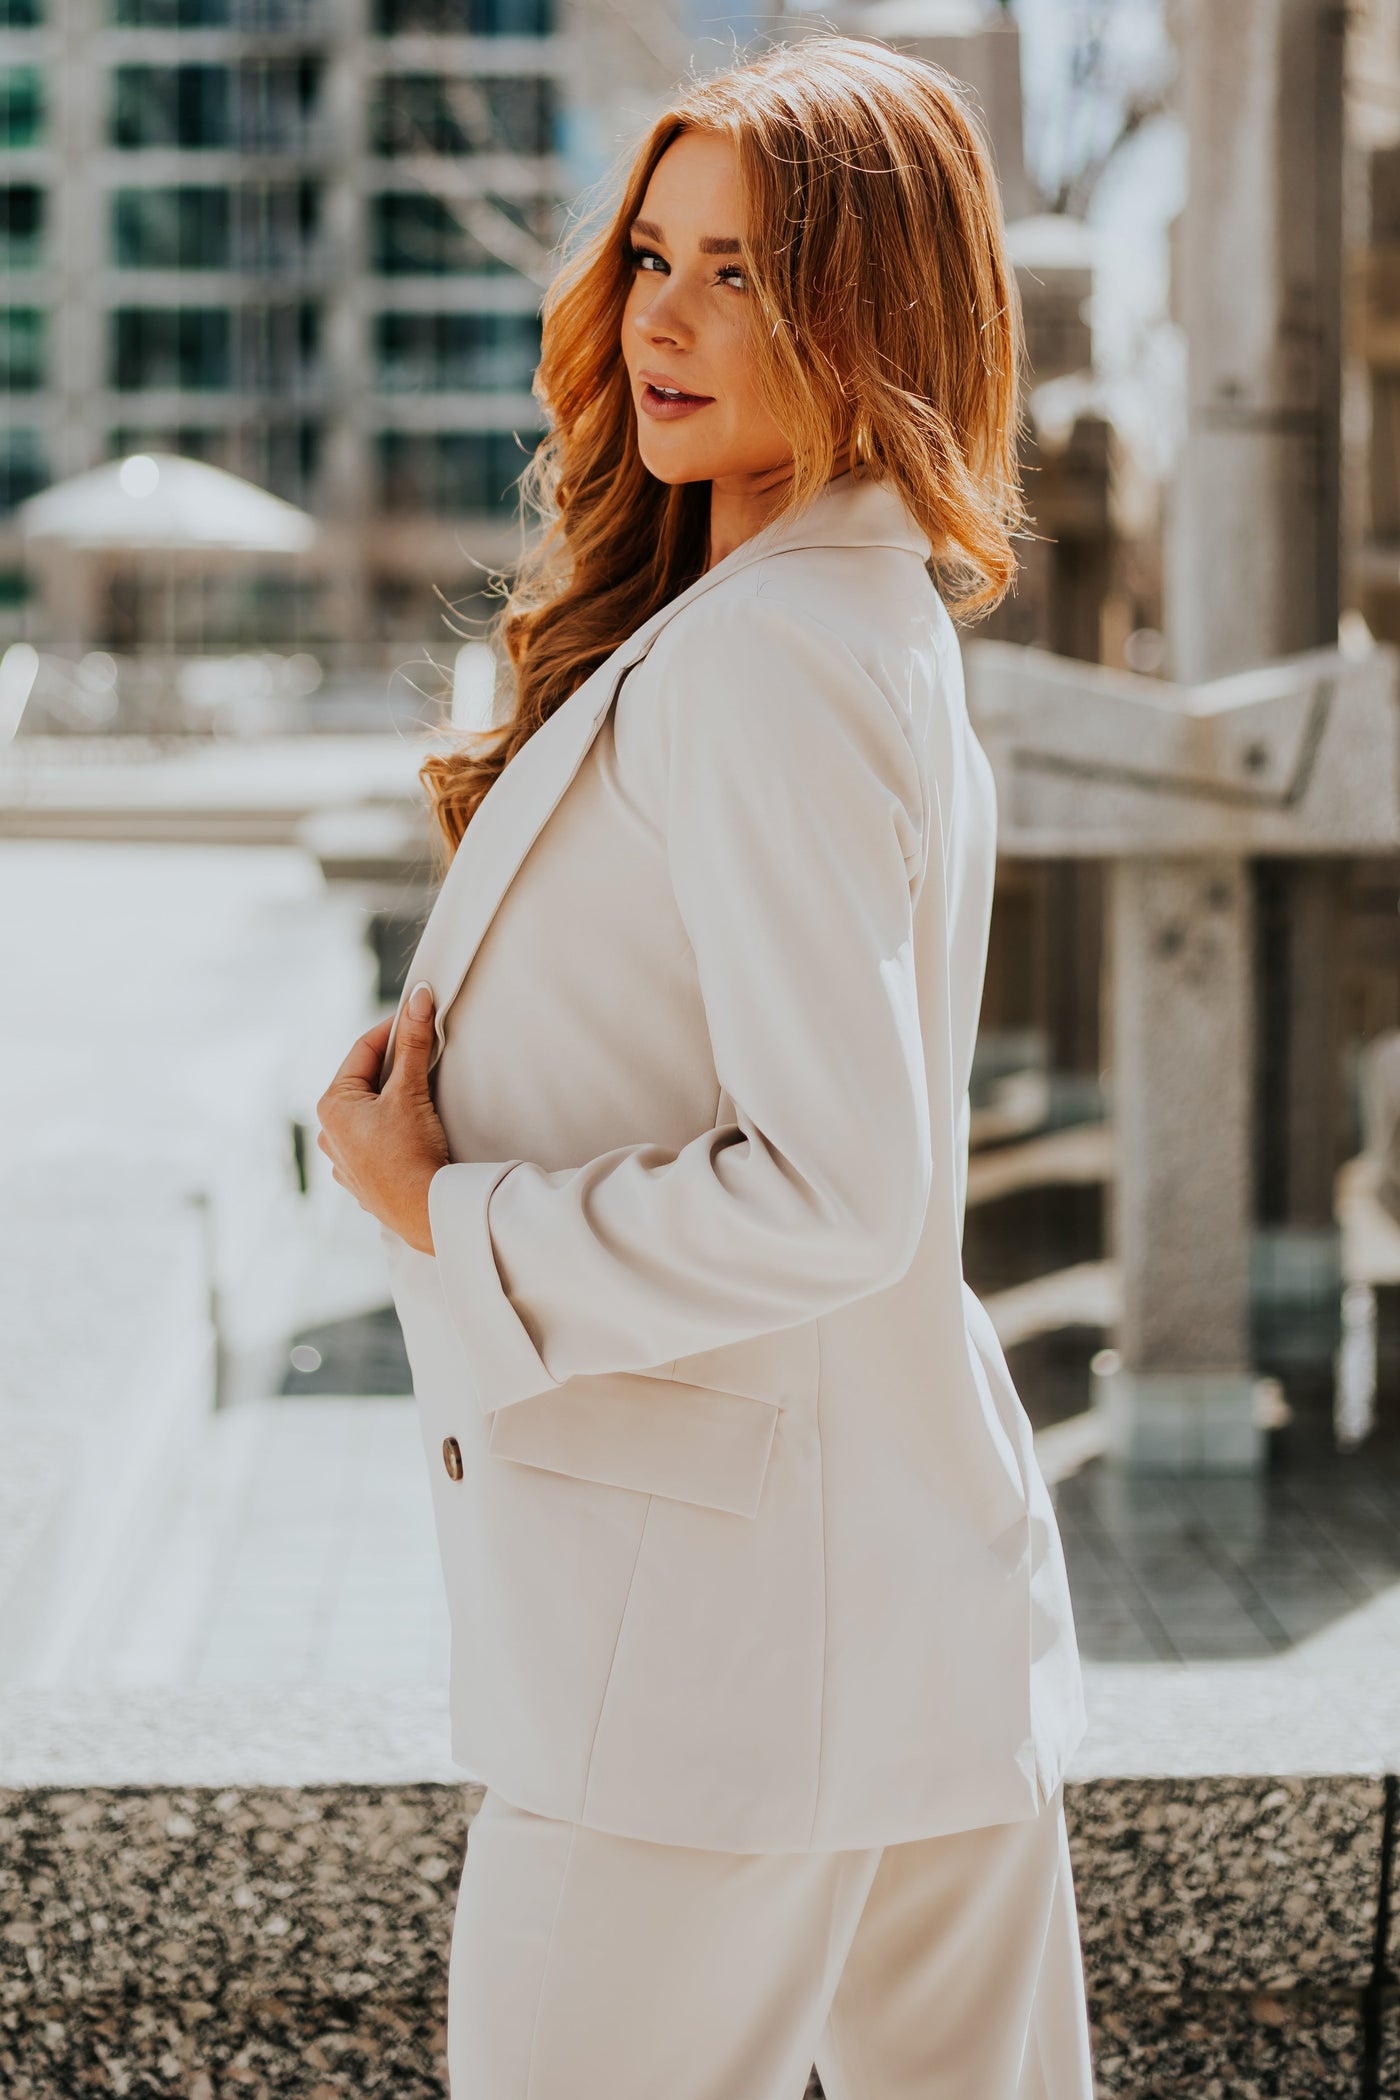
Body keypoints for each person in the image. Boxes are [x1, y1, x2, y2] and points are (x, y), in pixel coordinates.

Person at [316, 34, 1093, 2100]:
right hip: (892, 1612)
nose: (662, 312)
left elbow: (843, 1187)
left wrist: (442, 1209)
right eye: (653, 253)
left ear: (877, 305)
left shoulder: (766, 662)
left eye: (742, 269)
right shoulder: (855, 619)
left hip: (704, 1684)